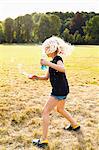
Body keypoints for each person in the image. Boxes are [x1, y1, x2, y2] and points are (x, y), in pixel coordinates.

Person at [30, 36, 80, 148]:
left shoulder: (58, 59)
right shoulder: (53, 61)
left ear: (51, 49)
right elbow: (47, 77)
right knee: (60, 109)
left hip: (58, 91)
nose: (45, 51)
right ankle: (75, 125)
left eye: (46, 49)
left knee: (45, 112)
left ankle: (43, 141)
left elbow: (62, 69)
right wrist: (36, 77)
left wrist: (47, 63)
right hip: (63, 89)